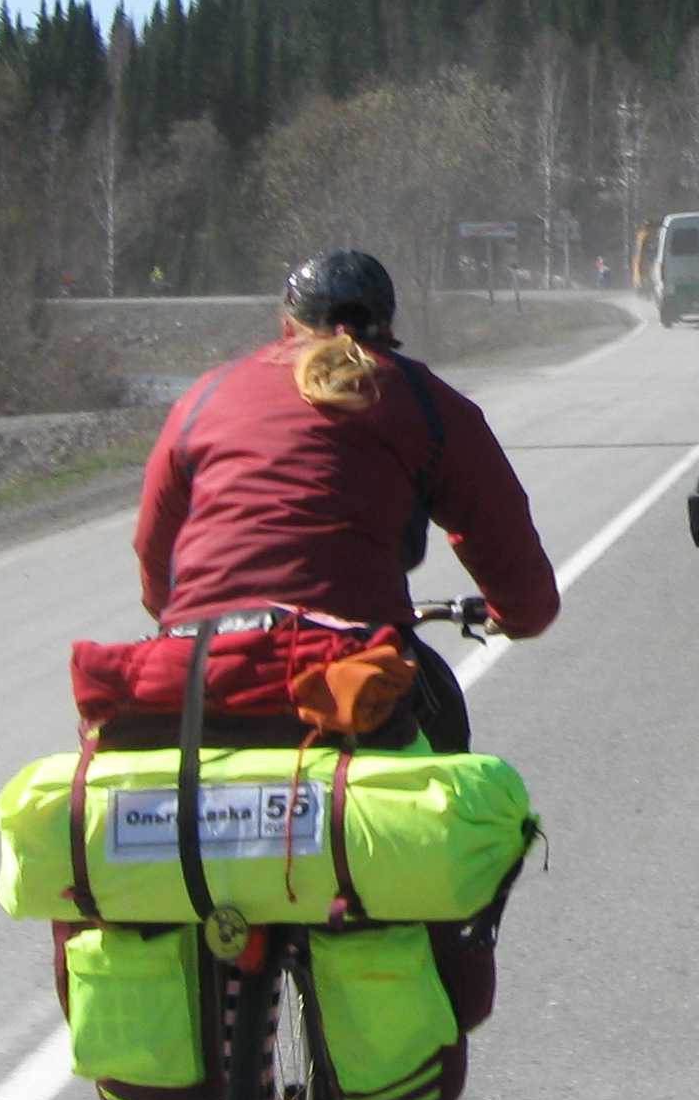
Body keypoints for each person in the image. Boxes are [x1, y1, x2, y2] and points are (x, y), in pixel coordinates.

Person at [135, 248, 560, 756]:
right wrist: (517, 614)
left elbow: (156, 541)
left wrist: (177, 612)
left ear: (287, 321)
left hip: (199, 652)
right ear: (388, 324)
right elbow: (503, 538)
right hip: (350, 656)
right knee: (440, 721)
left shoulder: (208, 394)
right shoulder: (426, 401)